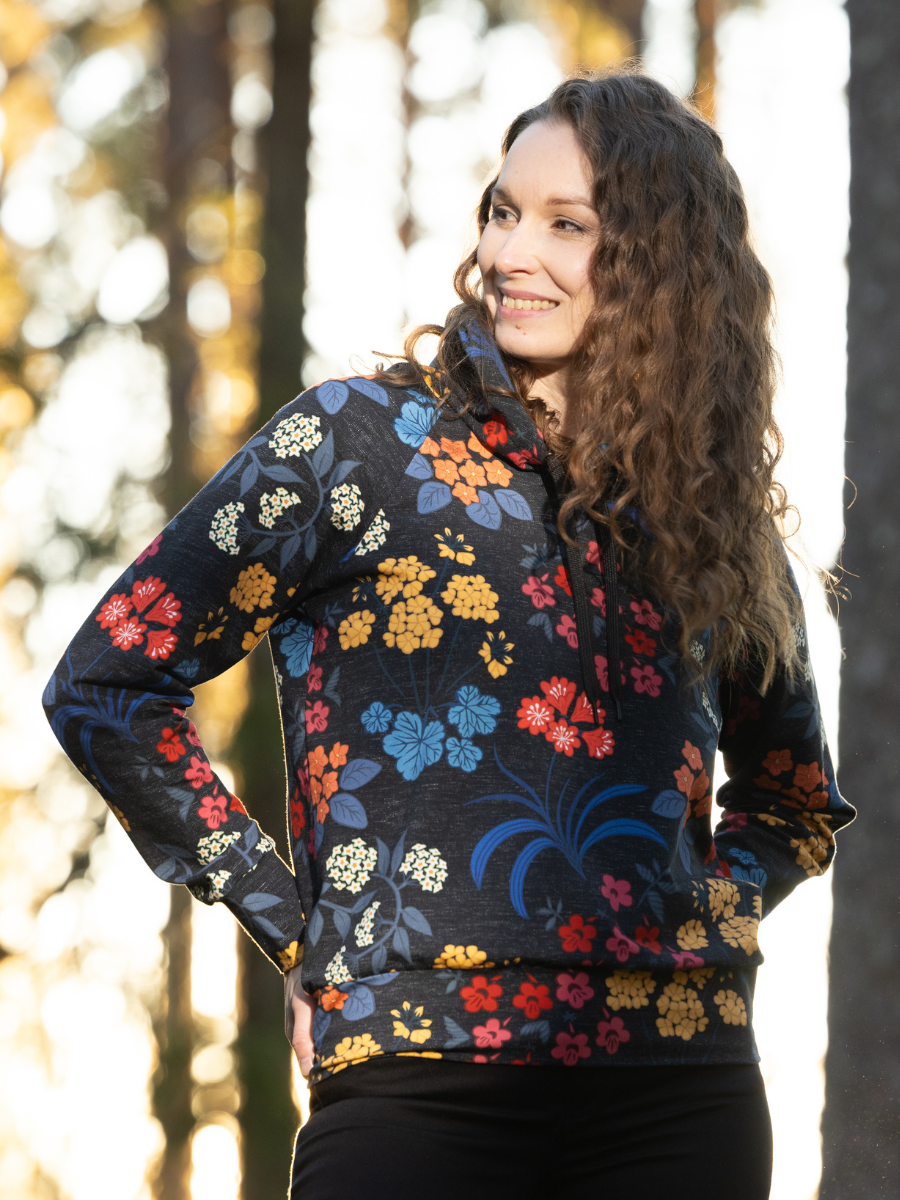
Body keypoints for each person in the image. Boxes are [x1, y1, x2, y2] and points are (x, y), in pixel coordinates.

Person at [45, 69, 854, 1199]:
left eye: (568, 225)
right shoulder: (357, 443)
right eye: (502, 211)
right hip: (417, 1080)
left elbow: (793, 801)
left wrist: (704, 920)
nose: (509, 252)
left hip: (680, 1098)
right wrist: (295, 926)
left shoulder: (712, 511)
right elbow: (108, 682)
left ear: (665, 265)